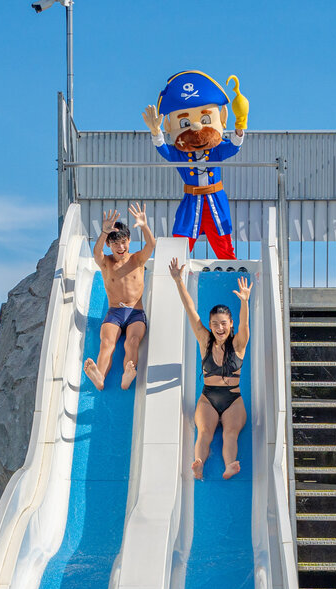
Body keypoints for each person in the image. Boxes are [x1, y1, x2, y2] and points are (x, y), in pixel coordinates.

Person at [142, 70, 248, 259]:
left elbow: (233, 147)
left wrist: (240, 125)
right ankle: (174, 276)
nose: (196, 127)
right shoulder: (180, 155)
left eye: (204, 120)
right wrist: (155, 131)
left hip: (215, 200)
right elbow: (164, 150)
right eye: (185, 122)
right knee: (180, 240)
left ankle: (233, 276)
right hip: (191, 202)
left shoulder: (216, 150)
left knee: (223, 243)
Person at [169, 257, 250, 479]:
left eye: (223, 323)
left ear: (230, 323)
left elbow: (245, 325)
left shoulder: (239, 344)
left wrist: (244, 301)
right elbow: (191, 311)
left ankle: (229, 465)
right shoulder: (205, 341)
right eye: (214, 324)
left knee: (230, 434)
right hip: (208, 398)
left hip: (233, 399)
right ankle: (198, 463)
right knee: (204, 433)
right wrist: (178, 281)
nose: (219, 328)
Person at [84, 202, 156, 391]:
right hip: (114, 312)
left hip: (135, 313)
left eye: (123, 241)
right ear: (109, 244)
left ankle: (127, 375)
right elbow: (96, 252)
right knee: (107, 342)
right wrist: (104, 232)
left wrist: (144, 225)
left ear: (129, 241)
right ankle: (99, 376)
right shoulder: (106, 263)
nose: (120, 246)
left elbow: (151, 245)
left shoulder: (137, 259)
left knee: (132, 342)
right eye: (115, 243)